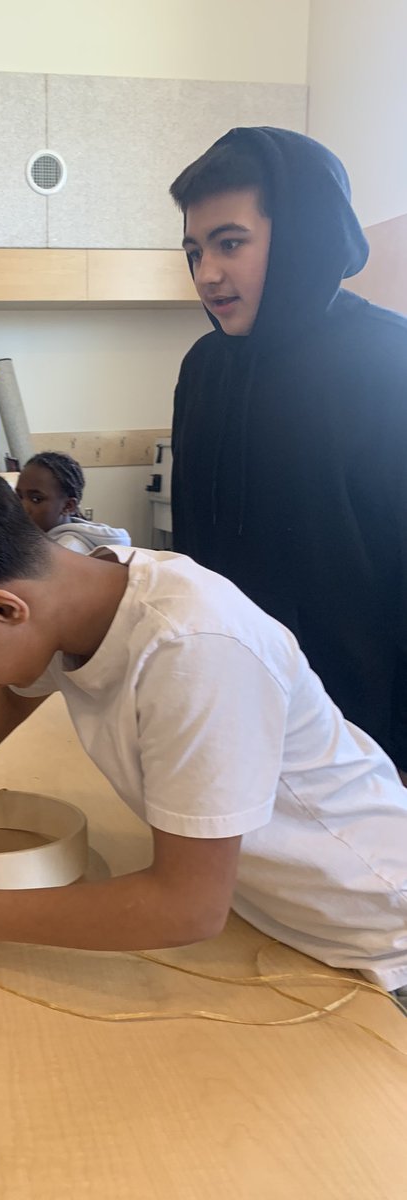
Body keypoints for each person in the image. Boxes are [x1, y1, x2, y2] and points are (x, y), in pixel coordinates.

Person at [0, 456, 407, 1000]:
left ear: (4, 608)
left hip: (374, 930)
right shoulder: (79, 593)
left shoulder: (192, 652)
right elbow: (10, 698)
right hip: (272, 909)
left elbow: (186, 906)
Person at [168, 126, 407, 776]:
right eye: (194, 250)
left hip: (362, 740)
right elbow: (193, 554)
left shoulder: (389, 361)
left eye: (231, 243)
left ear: (301, 235)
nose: (207, 273)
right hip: (233, 717)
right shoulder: (204, 368)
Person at [16, 451, 130, 551]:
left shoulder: (67, 550)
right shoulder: (40, 538)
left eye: (36, 499)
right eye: (19, 496)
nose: (22, 507)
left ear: (68, 506)